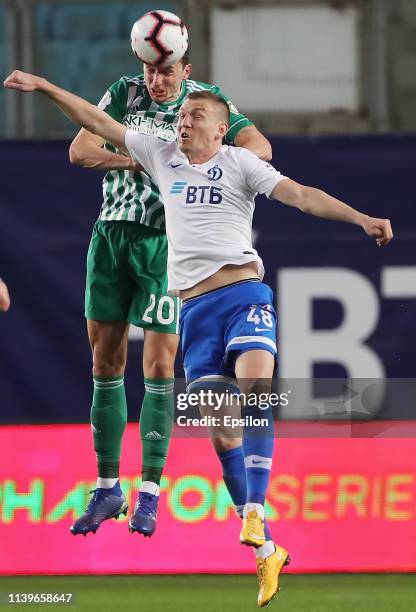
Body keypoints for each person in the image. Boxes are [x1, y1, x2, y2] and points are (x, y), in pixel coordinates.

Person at [4, 71, 393, 606]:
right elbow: (95, 123)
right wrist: (45, 87)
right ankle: (266, 552)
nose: (183, 123)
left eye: (195, 118)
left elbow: (302, 195)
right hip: (196, 313)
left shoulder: (241, 164)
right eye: (182, 118)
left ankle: (254, 513)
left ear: (219, 131)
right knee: (221, 431)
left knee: (254, 388)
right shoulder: (162, 157)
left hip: (244, 296)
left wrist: (360, 218)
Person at [64, 53, 272, 538]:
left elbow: (259, 147)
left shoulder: (205, 105)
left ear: (185, 67)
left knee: (159, 366)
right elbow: (80, 151)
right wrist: (138, 161)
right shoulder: (124, 93)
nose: (155, 80)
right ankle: (107, 486)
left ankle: (150, 494)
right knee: (104, 362)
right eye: (149, 69)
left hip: (164, 244)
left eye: (165, 70)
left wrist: (208, 162)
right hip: (112, 233)